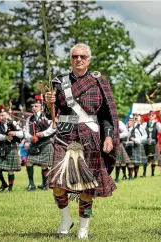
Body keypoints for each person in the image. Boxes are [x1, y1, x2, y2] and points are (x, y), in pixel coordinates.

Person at [44, 43, 119, 239]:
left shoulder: (99, 81)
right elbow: (50, 115)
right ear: (70, 59)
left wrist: (109, 135)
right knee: (57, 183)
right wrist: (49, 103)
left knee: (87, 186)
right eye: (75, 56)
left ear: (89, 60)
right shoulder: (59, 82)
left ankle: (83, 228)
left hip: (90, 135)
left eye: (82, 57)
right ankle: (65, 219)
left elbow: (107, 115)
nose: (78, 60)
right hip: (64, 135)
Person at [24, 97, 55, 191]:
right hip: (34, 144)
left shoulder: (47, 116)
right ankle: (31, 184)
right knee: (28, 162)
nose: (34, 108)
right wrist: (30, 137)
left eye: (36, 106)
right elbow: (25, 130)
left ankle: (45, 184)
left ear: (41, 108)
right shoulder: (29, 118)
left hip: (45, 143)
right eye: (32, 106)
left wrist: (42, 134)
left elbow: (53, 127)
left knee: (44, 165)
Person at [0, 106, 23, 192]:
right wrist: (5, 137)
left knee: (10, 170)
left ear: (7, 114)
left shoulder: (13, 122)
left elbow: (21, 133)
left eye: (3, 115)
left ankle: (10, 188)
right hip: (1, 148)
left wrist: (15, 133)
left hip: (11, 148)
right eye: (0, 115)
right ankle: (4, 183)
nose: (2, 117)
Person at [142, 111, 161, 177]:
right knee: (146, 157)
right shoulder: (145, 124)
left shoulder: (157, 123)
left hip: (154, 142)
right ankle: (144, 173)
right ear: (148, 116)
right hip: (147, 142)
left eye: (152, 115)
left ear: (155, 116)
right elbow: (142, 130)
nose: (151, 116)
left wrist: (158, 123)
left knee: (155, 158)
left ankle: (152, 173)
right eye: (150, 115)